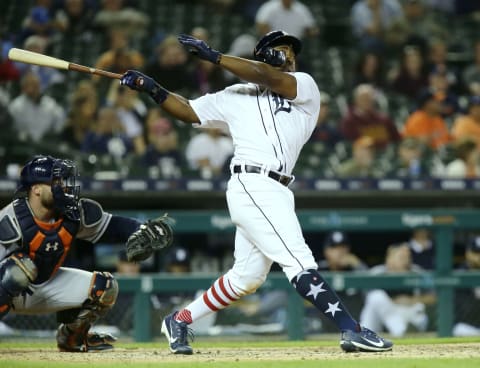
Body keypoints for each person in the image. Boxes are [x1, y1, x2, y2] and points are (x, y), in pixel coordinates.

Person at [120, 30, 393, 354]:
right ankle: (351, 329)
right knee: (299, 261)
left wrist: (216, 57)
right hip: (252, 183)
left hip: (276, 188)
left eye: (292, 52)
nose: (289, 56)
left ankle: (178, 320)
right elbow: (190, 111)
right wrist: (153, 88)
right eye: (281, 51)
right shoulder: (234, 94)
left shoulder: (304, 86)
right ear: (262, 55)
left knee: (246, 277)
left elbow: (266, 75)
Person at [0, 155, 172, 352]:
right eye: (55, 182)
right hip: (12, 292)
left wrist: (139, 228)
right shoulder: (10, 220)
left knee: (105, 286)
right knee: (17, 271)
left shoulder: (71, 214)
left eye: (62, 181)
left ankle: (72, 338)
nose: (63, 187)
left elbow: (112, 226)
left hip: (48, 287)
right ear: (36, 189)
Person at [359, 243, 436, 337]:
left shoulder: (417, 272)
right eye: (402, 257)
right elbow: (366, 297)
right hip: (385, 314)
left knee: (418, 308)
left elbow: (434, 296)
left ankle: (404, 332)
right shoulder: (377, 273)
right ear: (389, 259)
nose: (407, 260)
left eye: (408, 257)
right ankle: (362, 335)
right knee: (376, 297)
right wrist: (392, 302)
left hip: (408, 312)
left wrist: (412, 300)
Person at [453, 235, 480, 337]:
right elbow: (463, 309)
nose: (479, 257)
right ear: (468, 253)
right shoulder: (460, 275)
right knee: (459, 329)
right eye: (476, 253)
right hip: (466, 327)